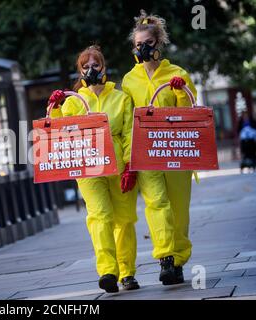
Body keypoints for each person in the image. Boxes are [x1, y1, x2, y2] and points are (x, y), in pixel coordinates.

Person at [48, 45, 139, 292]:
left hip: (118, 168)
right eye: (85, 66)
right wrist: (56, 107)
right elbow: (58, 133)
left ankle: (127, 272)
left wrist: (130, 166)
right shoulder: (74, 102)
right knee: (99, 217)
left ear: (104, 67)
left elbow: (130, 133)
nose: (91, 70)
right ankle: (108, 271)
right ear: (80, 72)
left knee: (124, 220)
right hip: (88, 170)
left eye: (95, 65)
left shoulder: (121, 99)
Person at [121, 10, 197, 285]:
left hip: (175, 151)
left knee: (178, 210)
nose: (143, 49)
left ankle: (178, 260)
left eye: (147, 43)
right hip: (147, 153)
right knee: (156, 204)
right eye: (138, 45)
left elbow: (189, 114)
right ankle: (165, 258)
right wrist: (129, 161)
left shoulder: (178, 74)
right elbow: (128, 120)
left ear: (158, 43)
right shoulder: (129, 80)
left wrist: (179, 91)